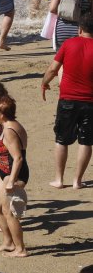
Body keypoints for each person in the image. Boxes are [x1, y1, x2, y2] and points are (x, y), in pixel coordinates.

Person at [42, 12, 93, 189]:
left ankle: (59, 179)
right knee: (86, 141)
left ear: (80, 29)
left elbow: (52, 69)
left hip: (68, 100)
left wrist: (44, 83)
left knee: (61, 139)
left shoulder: (69, 43)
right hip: (90, 102)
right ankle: (77, 181)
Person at [0, 98, 31, 257]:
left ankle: (20, 249)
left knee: (9, 212)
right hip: (7, 174)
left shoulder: (9, 131)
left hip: (13, 175)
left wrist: (12, 181)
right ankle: (8, 242)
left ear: (2, 114)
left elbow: (18, 158)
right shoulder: (11, 125)